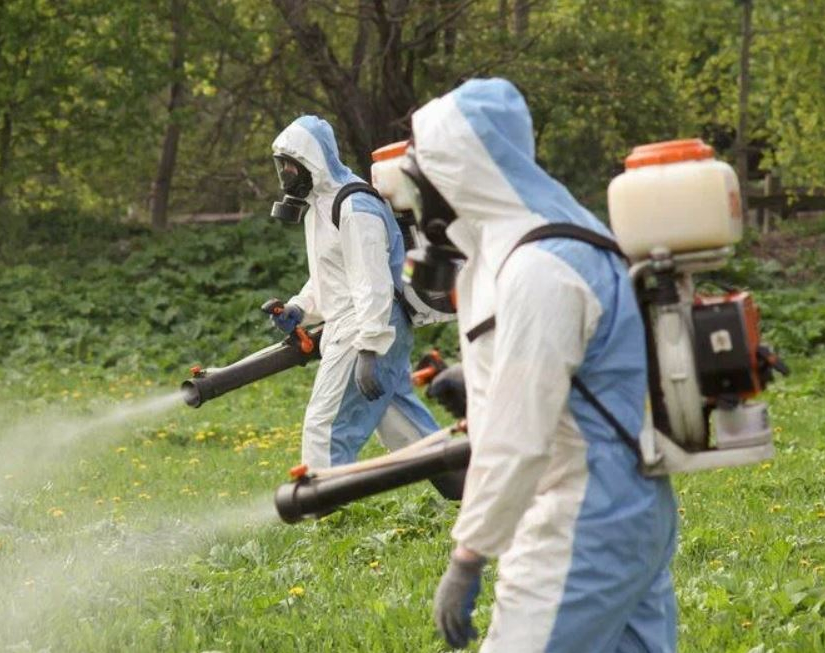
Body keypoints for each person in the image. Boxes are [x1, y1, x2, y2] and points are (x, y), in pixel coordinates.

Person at [403, 79, 678, 651]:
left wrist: (468, 556)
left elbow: (518, 438)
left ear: (460, 169)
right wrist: (476, 371)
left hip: (579, 517)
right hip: (631, 505)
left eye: (425, 170)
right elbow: (575, 360)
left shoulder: (537, 268)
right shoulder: (567, 234)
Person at [267, 115, 454, 483]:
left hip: (367, 324)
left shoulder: (355, 207)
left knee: (325, 423)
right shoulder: (321, 204)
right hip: (364, 322)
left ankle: (323, 506)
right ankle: (462, 482)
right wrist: (299, 308)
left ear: (312, 160)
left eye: (290, 164)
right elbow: (334, 274)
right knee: (398, 420)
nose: (286, 173)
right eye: (282, 166)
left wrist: (369, 347)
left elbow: (373, 283)